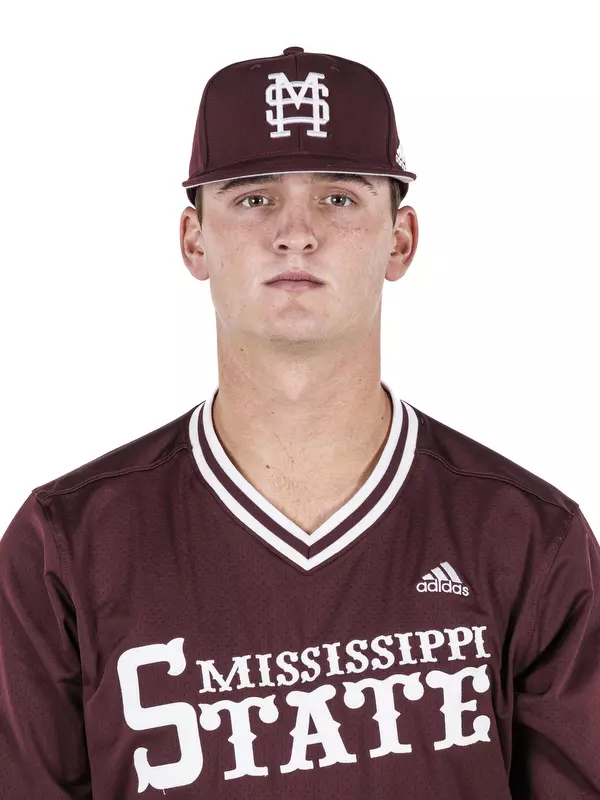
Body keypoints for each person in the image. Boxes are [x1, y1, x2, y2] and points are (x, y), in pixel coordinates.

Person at [1, 45, 599, 799]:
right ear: (194, 240)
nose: (296, 233)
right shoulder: (66, 545)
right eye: (253, 198)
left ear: (401, 239)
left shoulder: (528, 538)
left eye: (338, 198)